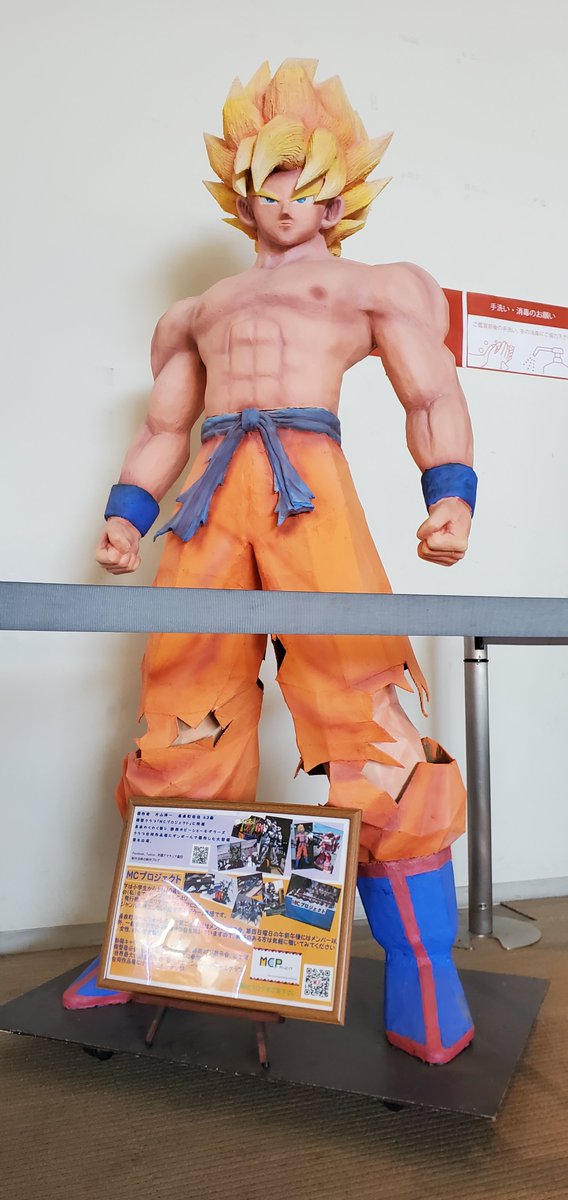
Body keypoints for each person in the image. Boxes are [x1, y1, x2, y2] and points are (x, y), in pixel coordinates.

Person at [83, 60, 476, 1062]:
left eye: (309, 182)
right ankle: (148, 945)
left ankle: (423, 965)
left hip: (311, 486)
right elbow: (163, 428)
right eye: (268, 179)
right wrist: (126, 515)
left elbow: (430, 394)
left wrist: (451, 495)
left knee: (366, 710)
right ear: (240, 189)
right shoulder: (198, 311)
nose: (288, 199)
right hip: (207, 500)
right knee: (181, 713)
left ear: (341, 196)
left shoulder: (373, 286)